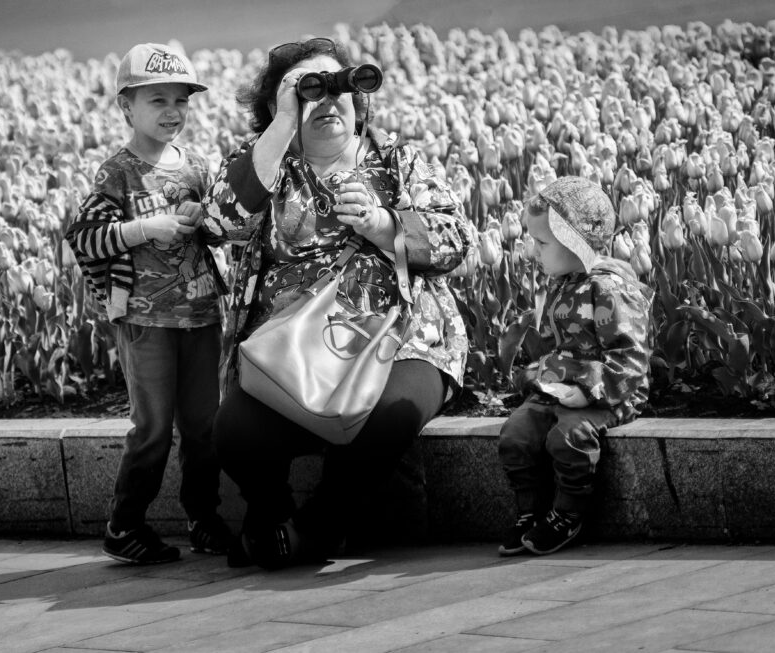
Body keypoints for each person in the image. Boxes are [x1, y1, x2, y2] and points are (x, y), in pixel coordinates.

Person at [203, 37, 472, 569]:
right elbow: (219, 222)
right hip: (295, 349)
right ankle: (272, 513)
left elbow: (456, 240)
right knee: (234, 430)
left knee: (388, 416)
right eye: (309, 92)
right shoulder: (265, 168)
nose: (328, 101)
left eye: (340, 88)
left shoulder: (398, 161)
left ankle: (317, 528)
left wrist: (384, 225)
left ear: (358, 101)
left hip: (402, 338)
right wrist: (281, 127)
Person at [66, 43, 231, 564]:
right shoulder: (116, 173)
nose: (171, 112)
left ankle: (204, 518)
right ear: (125, 107)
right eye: (157, 100)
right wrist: (143, 229)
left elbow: (221, 231)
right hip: (144, 318)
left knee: (205, 426)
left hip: (202, 313)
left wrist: (209, 223)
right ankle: (125, 524)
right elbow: (84, 238)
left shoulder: (199, 166)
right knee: (154, 426)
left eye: (181, 101)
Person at [497, 177, 652, 556]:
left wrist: (587, 393)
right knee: (515, 434)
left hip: (610, 392)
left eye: (542, 242)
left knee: (566, 437)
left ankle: (568, 512)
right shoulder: (565, 281)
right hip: (562, 384)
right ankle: (529, 510)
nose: (534, 252)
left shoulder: (609, 288)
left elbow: (630, 357)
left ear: (575, 241)